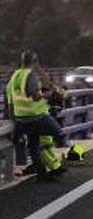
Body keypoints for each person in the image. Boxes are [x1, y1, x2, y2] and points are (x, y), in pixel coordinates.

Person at [5, 51, 65, 181]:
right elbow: (36, 96)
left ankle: (41, 174)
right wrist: (49, 95)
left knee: (33, 144)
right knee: (59, 133)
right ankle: (50, 164)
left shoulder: (15, 76)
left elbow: (10, 100)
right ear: (35, 62)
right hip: (35, 116)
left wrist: (14, 119)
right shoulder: (30, 75)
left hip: (21, 118)